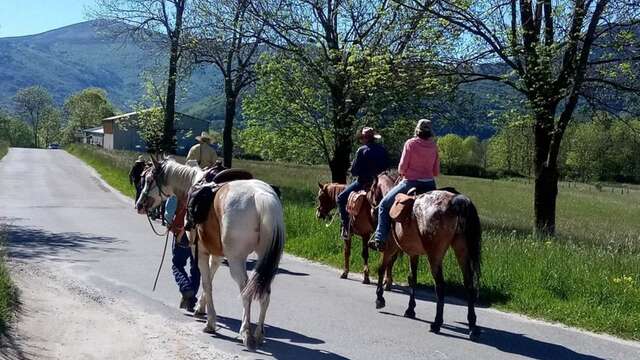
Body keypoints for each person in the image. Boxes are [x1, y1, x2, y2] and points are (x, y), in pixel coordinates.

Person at [369, 119, 440, 251]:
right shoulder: (434, 146)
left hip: (410, 182)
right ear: (430, 132)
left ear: (417, 130)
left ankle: (380, 239)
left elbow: (401, 168)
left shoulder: (410, 144)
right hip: (430, 184)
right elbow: (436, 172)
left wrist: (406, 172)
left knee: (384, 205)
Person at [337, 127, 390, 240]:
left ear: (364, 139)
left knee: (341, 198)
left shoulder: (361, 150)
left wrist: (354, 170)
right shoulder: (382, 149)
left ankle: (346, 227)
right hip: (379, 184)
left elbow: (354, 171)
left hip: (363, 183)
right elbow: (387, 166)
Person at [164, 195, 200, 311]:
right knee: (196, 268)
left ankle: (186, 288)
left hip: (182, 232)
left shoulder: (179, 190)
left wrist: (169, 224)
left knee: (177, 265)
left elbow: (169, 211)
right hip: (199, 234)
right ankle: (190, 300)